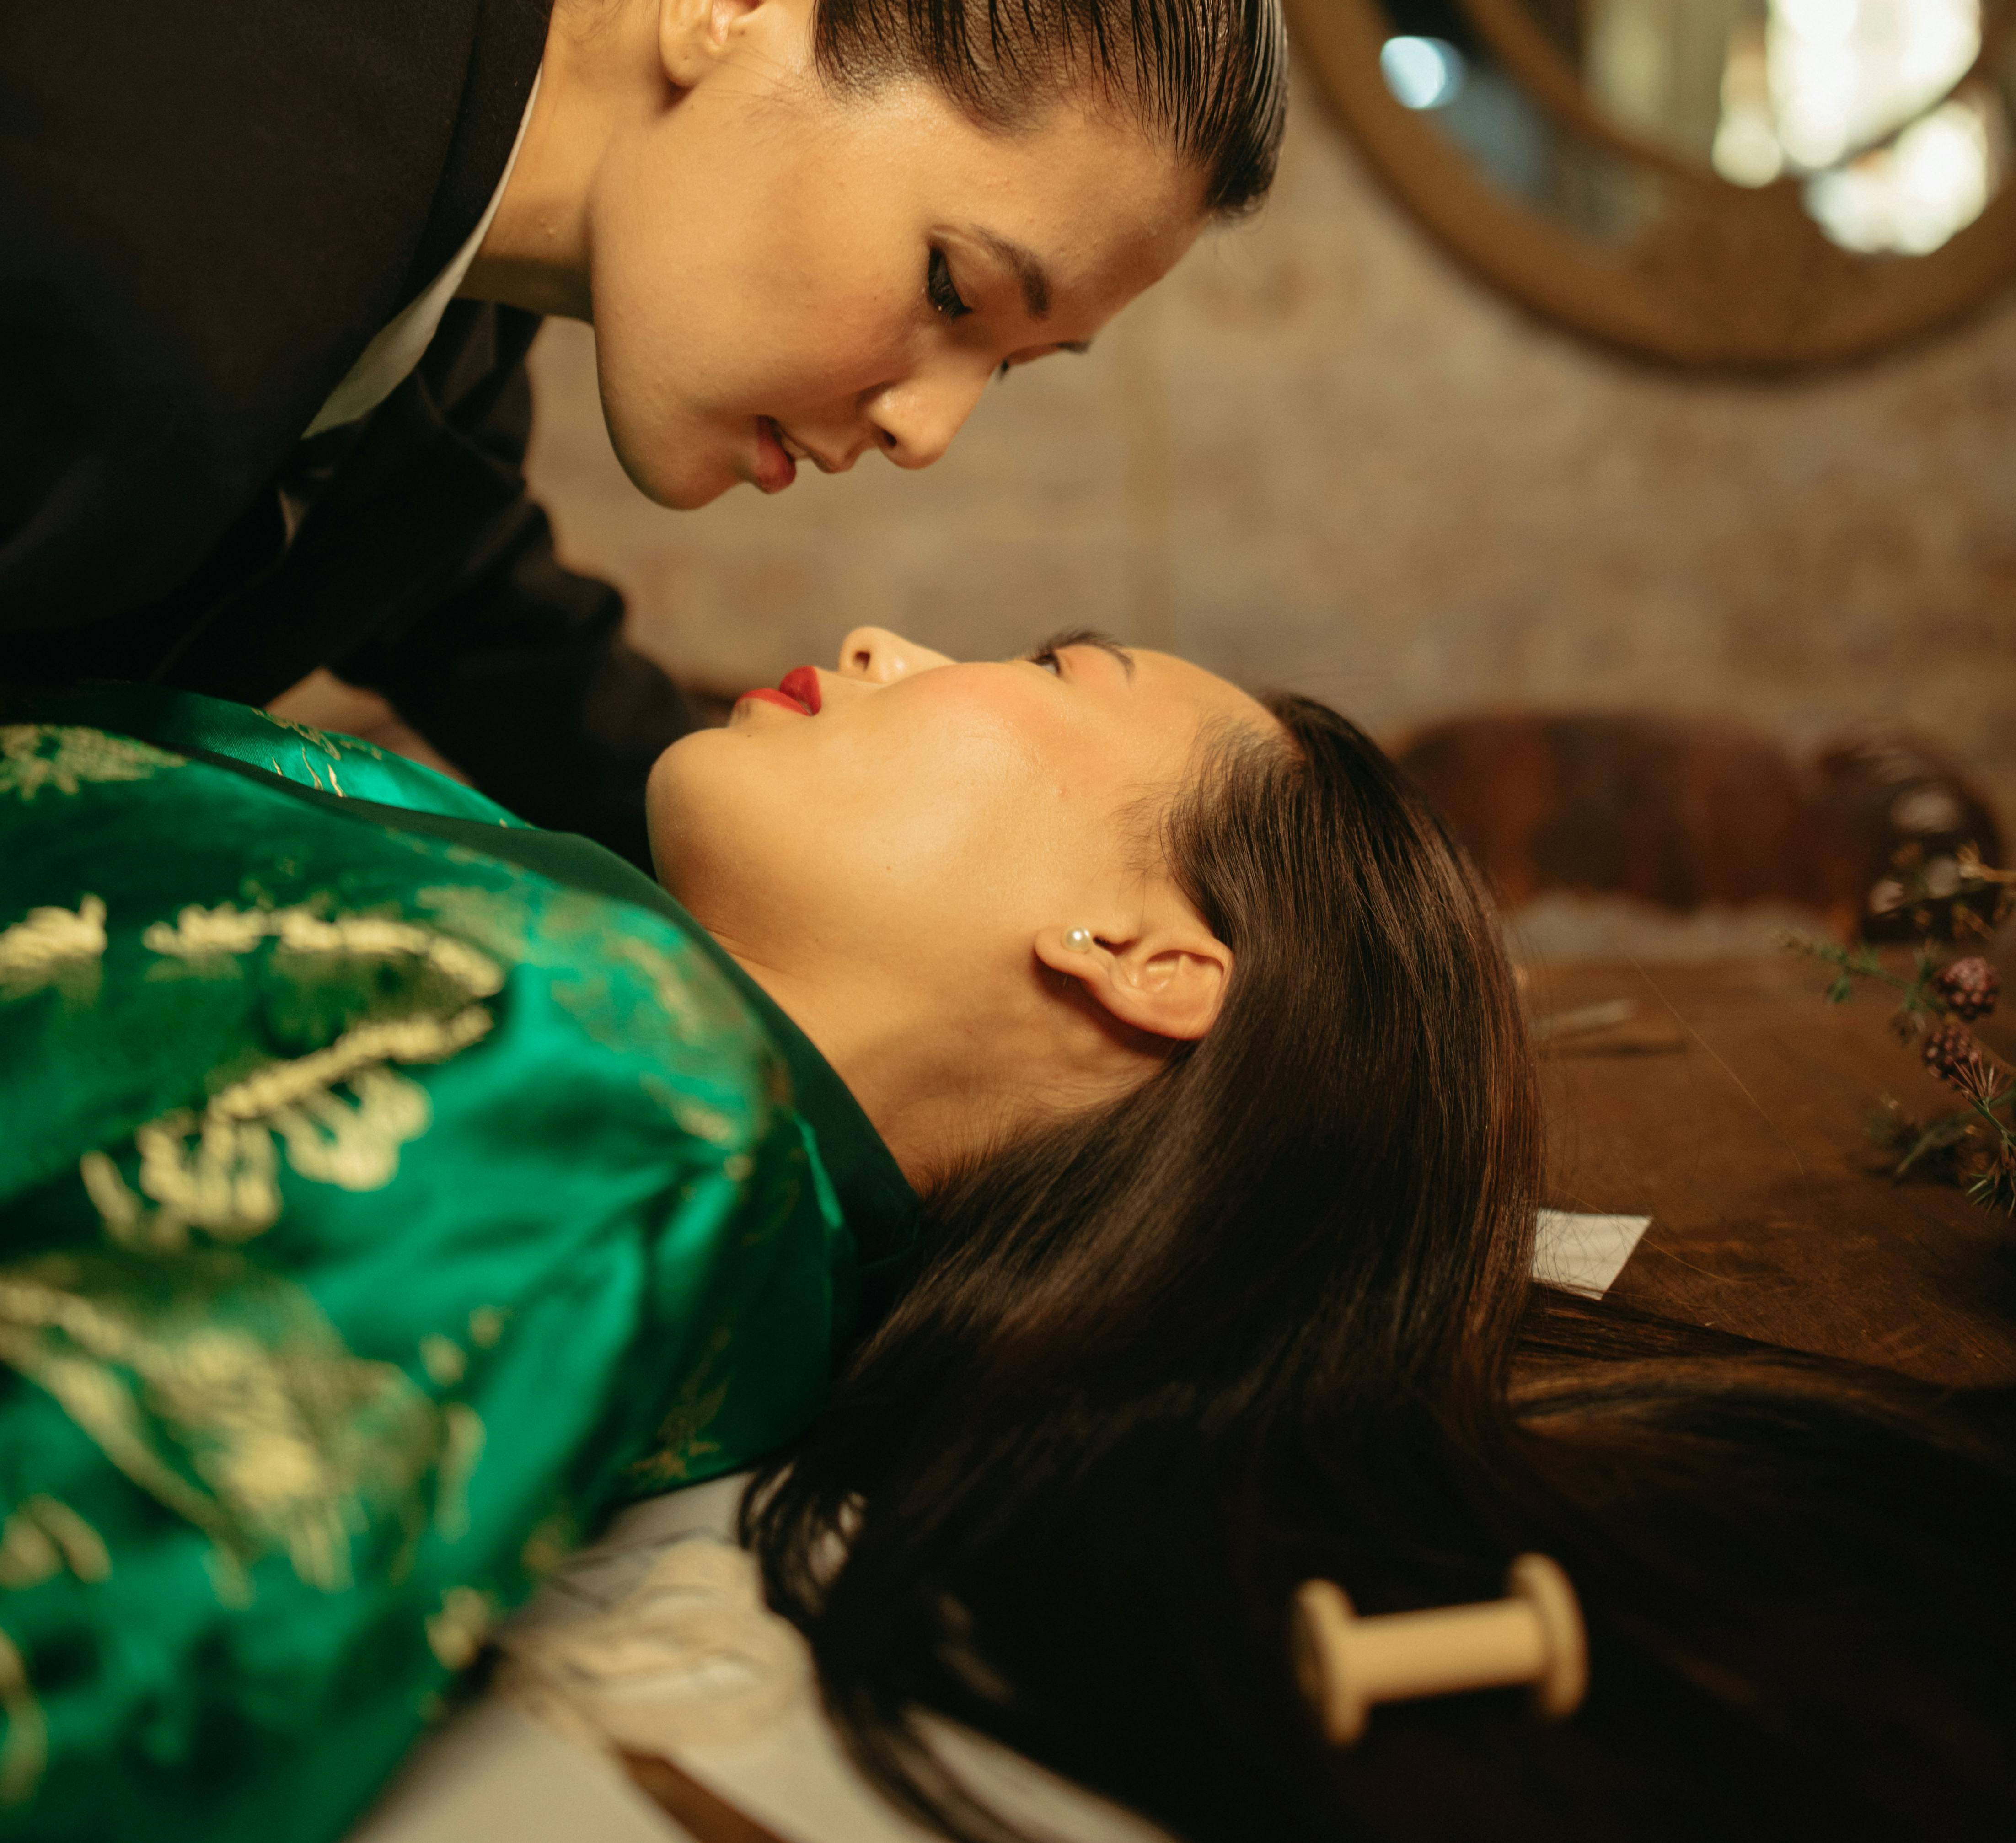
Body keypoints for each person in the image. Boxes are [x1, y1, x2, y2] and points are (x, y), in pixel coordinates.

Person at [1, 640, 2007, 1843]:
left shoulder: (624, 1115)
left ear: (1142, 958)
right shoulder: (648, 1098)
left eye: (1050, 673)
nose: (876, 636)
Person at [0, 0, 1286, 862]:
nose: (927, 432)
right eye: (953, 288)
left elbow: (438, 555)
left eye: (1003, 362)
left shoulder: (430, 8)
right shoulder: (152, 254)